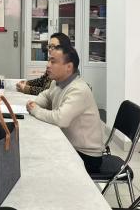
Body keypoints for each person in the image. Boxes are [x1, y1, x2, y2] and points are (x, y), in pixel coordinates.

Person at [26, 45, 104, 174]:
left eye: (53, 62)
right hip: (69, 144)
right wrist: (34, 103)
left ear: (69, 67)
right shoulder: (57, 82)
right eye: (48, 60)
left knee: (38, 159)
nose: (48, 65)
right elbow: (46, 96)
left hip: (86, 155)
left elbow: (61, 119)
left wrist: (35, 110)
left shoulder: (78, 89)